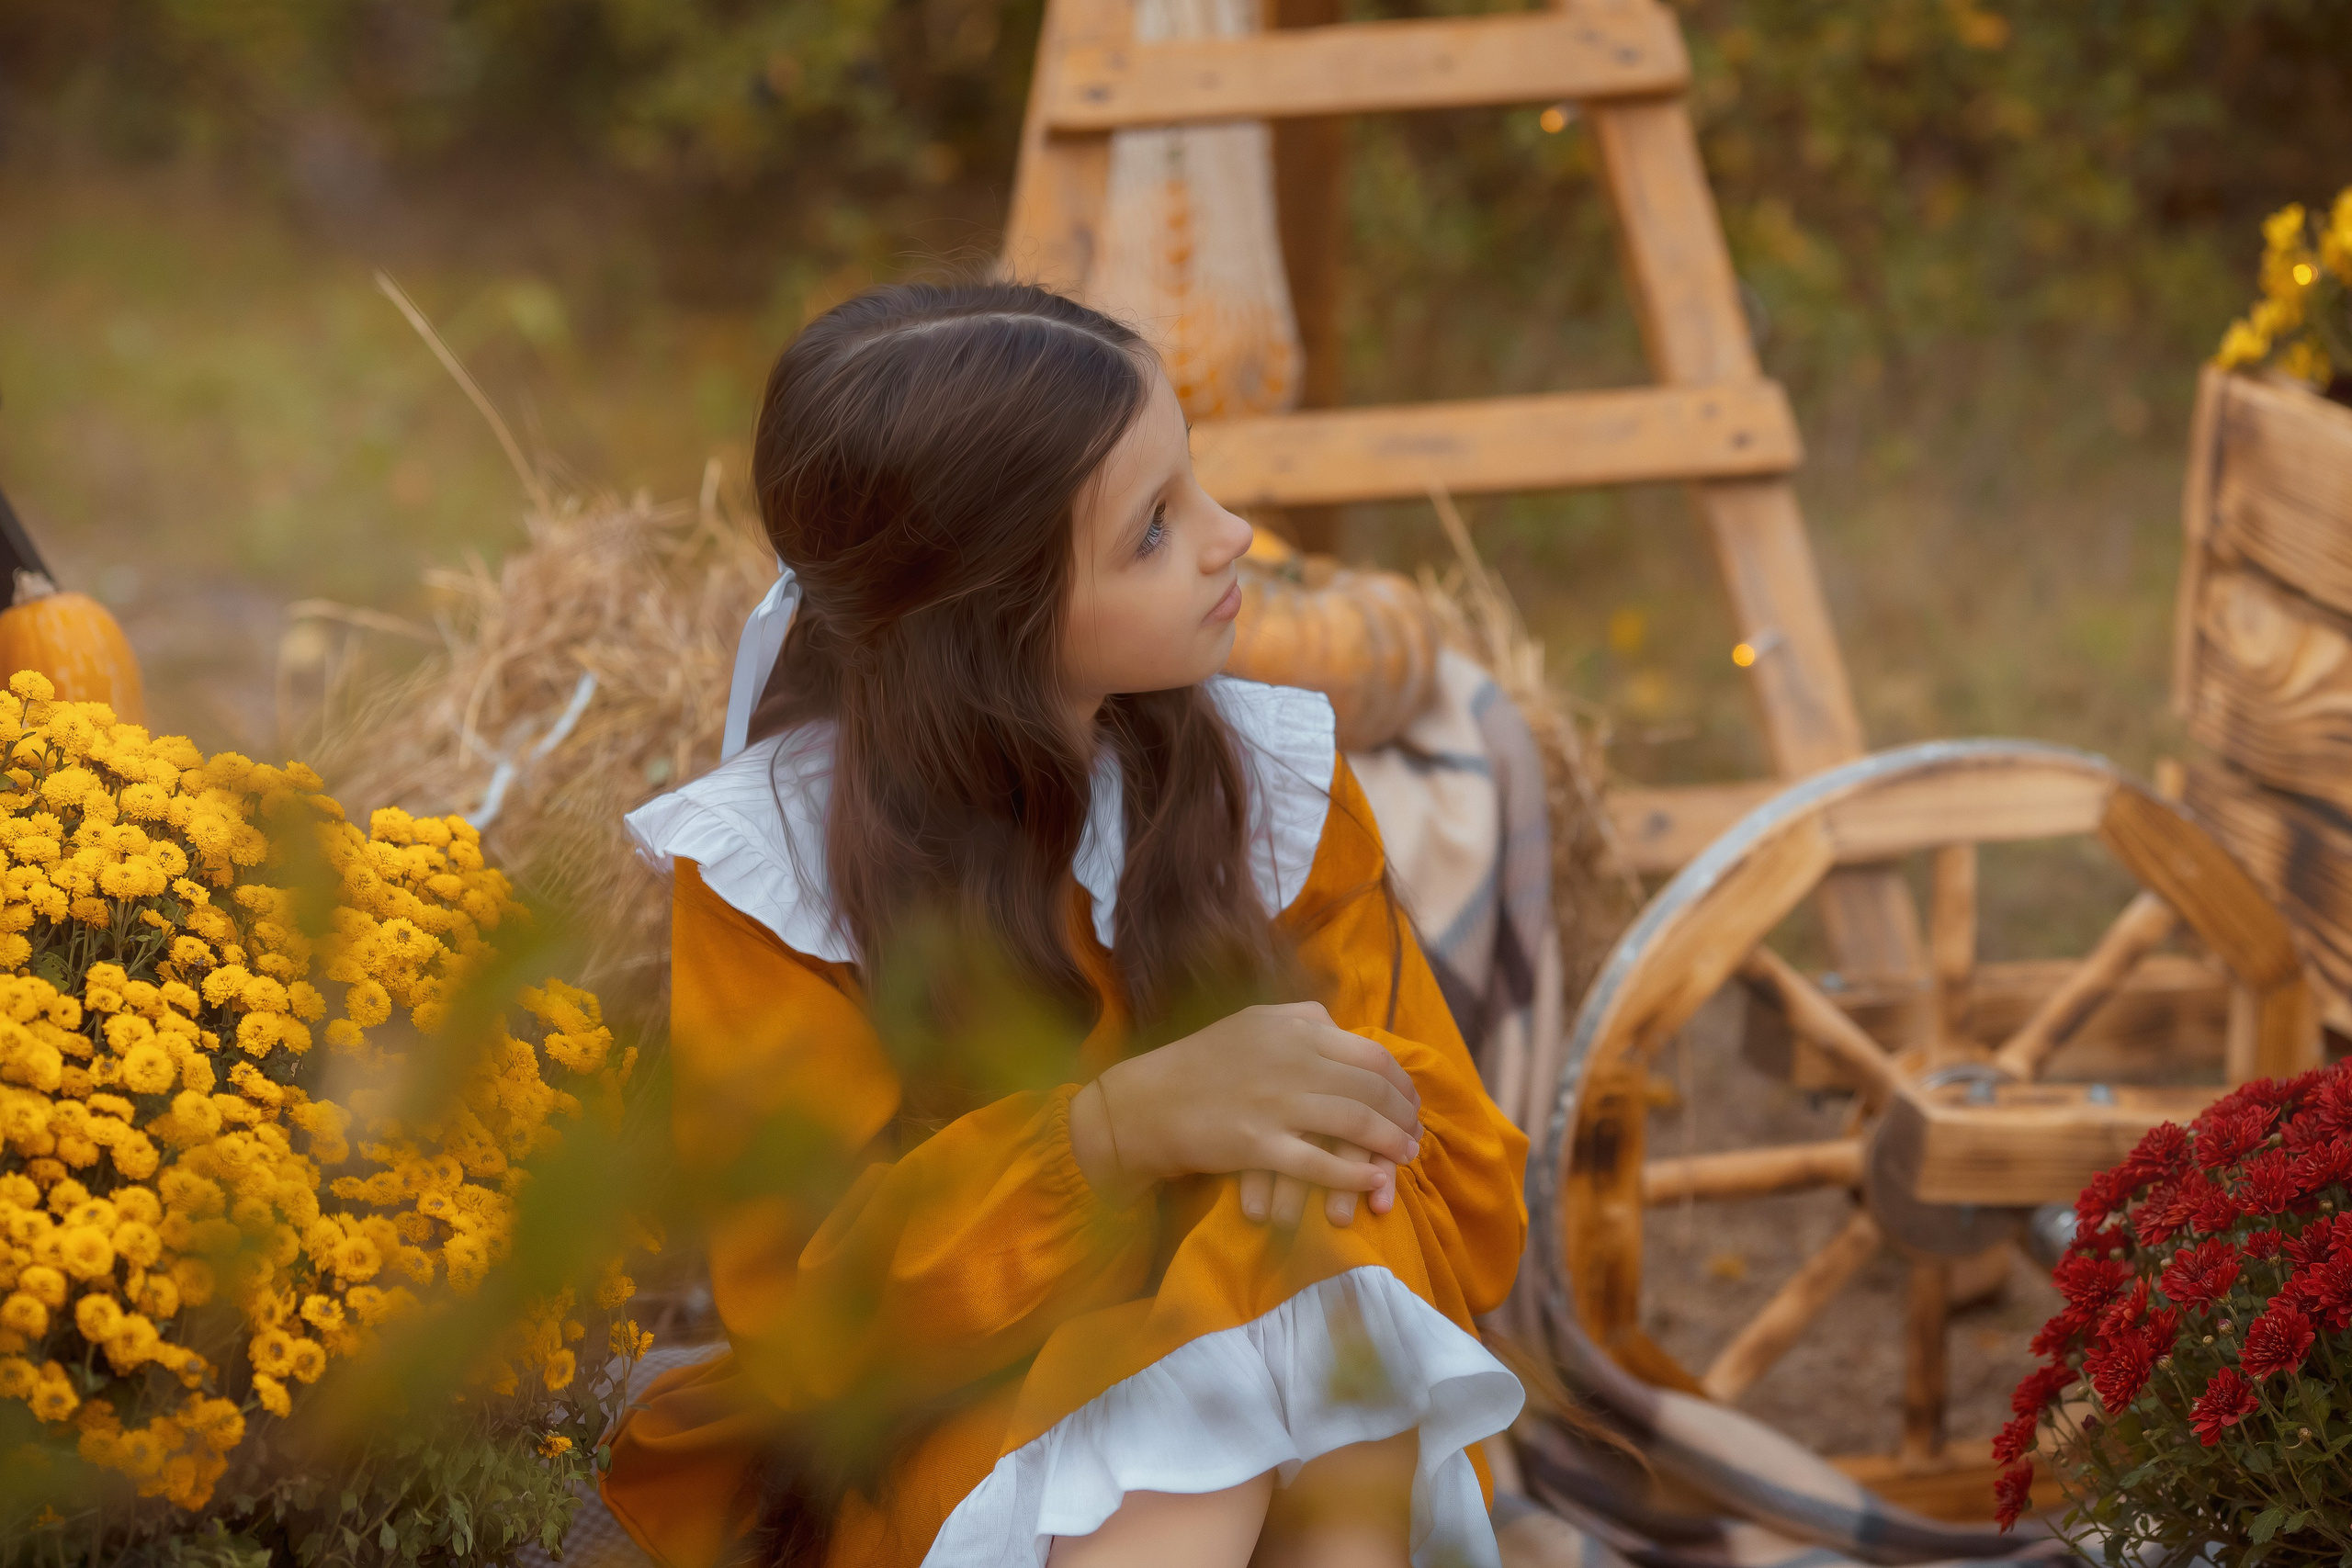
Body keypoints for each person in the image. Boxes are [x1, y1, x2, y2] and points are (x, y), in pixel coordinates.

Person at [602, 280, 1529, 1568]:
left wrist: (1310, 1126)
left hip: (1308, 1426)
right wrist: (1119, 1134)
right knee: (1218, 1390)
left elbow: (1472, 1192)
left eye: (1192, 485)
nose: (1235, 534)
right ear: (993, 621)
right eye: (1154, 530)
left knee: (1319, 1236)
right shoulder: (779, 874)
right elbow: (811, 1321)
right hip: (972, 1440)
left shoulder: (1268, 788)